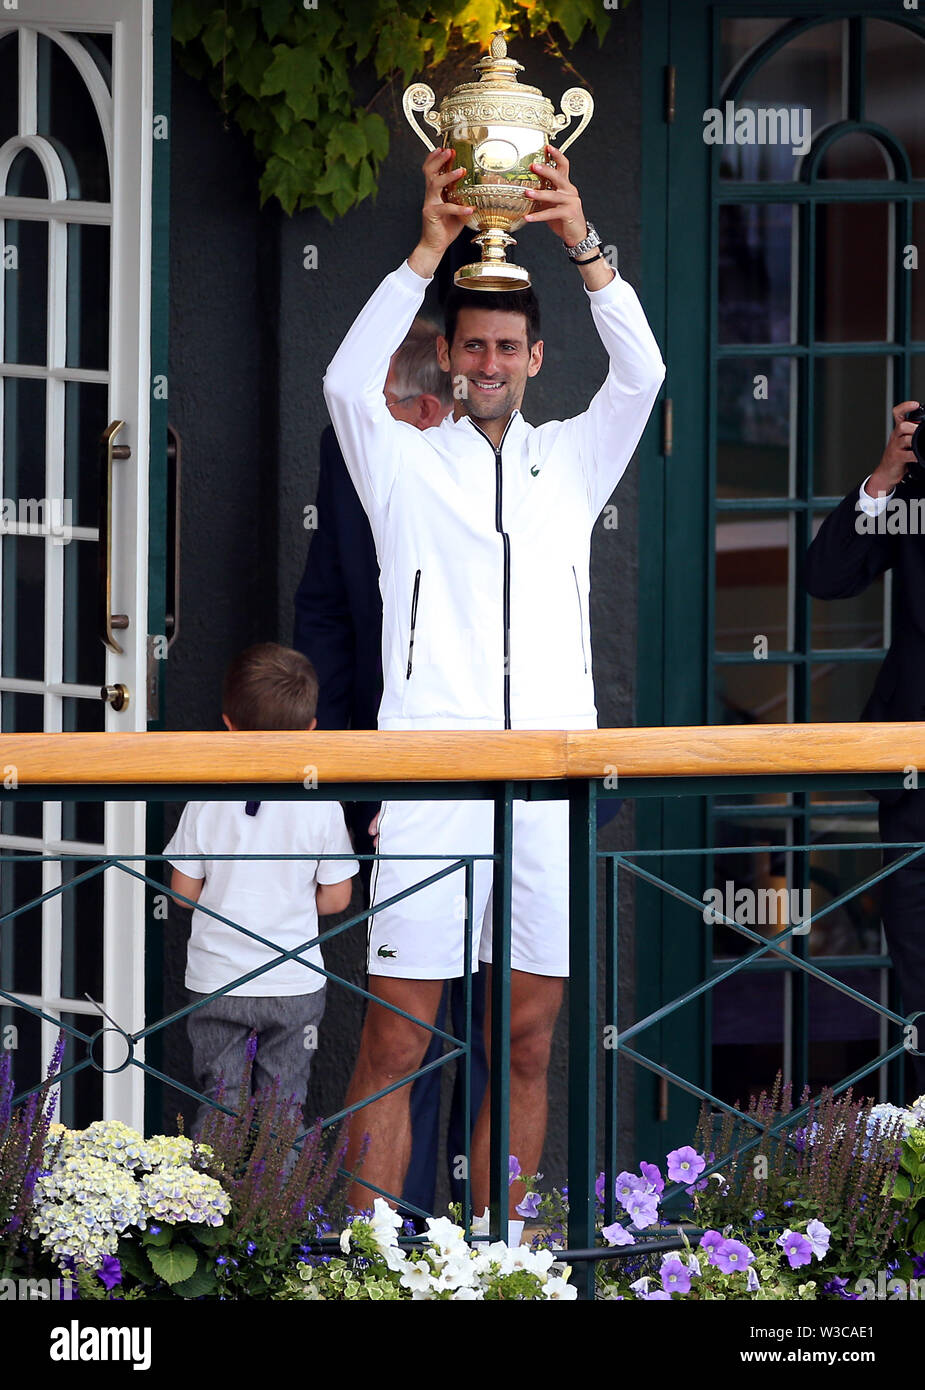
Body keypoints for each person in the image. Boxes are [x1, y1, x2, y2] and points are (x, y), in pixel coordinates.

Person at [323, 144, 665, 1221]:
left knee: (527, 1041)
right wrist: (429, 246)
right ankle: (369, 1271)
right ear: (449, 351)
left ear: (535, 354)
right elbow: (341, 379)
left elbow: (646, 373)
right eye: (473, 344)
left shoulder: (572, 456)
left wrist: (580, 241)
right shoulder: (400, 459)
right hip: (428, 772)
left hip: (549, 777)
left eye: (508, 345)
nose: (489, 360)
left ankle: (498, 1255)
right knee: (395, 1033)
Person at [293, 322, 490, 1217]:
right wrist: (339, 777)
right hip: (393, 785)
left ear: (428, 404)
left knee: (505, 1037)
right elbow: (325, 613)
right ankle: (390, 1249)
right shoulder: (352, 460)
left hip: (512, 785)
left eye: (385, 412)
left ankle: (494, 1249)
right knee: (400, 1032)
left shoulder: (508, 461)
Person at [164, 642, 359, 1133]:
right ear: (312, 730)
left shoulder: (206, 801)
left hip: (218, 981)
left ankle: (210, 1206)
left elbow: (182, 894)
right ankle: (279, 1209)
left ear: (227, 724)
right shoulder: (322, 806)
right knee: (283, 1109)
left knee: (219, 1103)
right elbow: (337, 897)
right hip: (293, 982)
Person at [806, 400, 925, 1097]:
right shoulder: (911, 496)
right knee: (919, 972)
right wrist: (883, 479)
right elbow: (827, 577)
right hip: (914, 776)